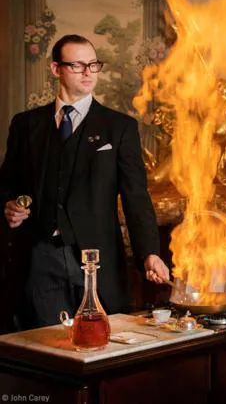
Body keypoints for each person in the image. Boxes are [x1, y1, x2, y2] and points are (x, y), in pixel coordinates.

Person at [0, 34, 170, 329]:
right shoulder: (25, 124)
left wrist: (150, 253)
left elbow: (136, 197)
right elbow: (6, 183)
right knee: (46, 349)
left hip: (97, 261)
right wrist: (9, 206)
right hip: (40, 259)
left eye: (93, 65)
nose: (89, 72)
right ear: (56, 69)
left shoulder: (119, 128)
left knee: (97, 350)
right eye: (78, 66)